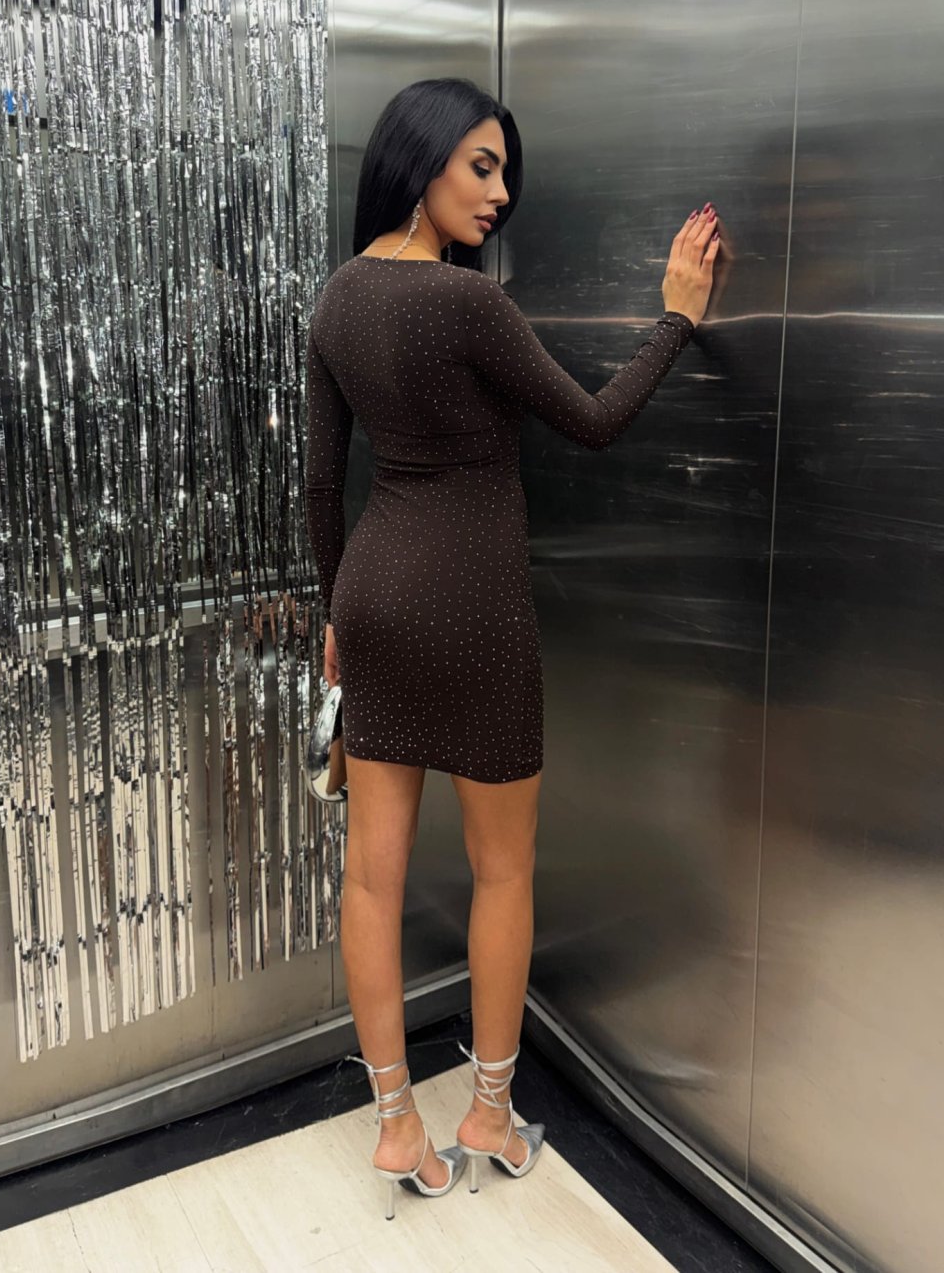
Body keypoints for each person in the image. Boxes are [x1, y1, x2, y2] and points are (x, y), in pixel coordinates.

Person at [304, 77, 720, 1219]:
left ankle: (397, 1123)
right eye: (479, 166)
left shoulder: (337, 299)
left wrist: (335, 614)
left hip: (374, 592)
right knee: (503, 869)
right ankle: (488, 1112)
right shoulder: (466, 303)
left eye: (504, 173)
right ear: (420, 160)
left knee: (372, 873)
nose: (498, 193)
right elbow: (594, 422)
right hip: (474, 605)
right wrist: (675, 317)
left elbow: (318, 485)